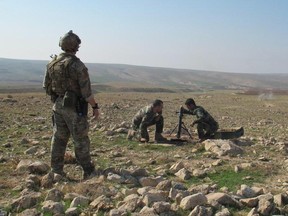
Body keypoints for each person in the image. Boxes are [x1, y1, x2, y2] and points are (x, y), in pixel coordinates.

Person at [43, 30, 100, 179]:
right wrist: (95, 107)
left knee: (59, 138)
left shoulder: (52, 63)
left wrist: (58, 99)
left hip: (58, 106)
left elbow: (46, 87)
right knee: (80, 139)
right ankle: (88, 171)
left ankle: (56, 171)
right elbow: (87, 93)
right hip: (74, 108)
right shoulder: (77, 65)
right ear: (76, 46)